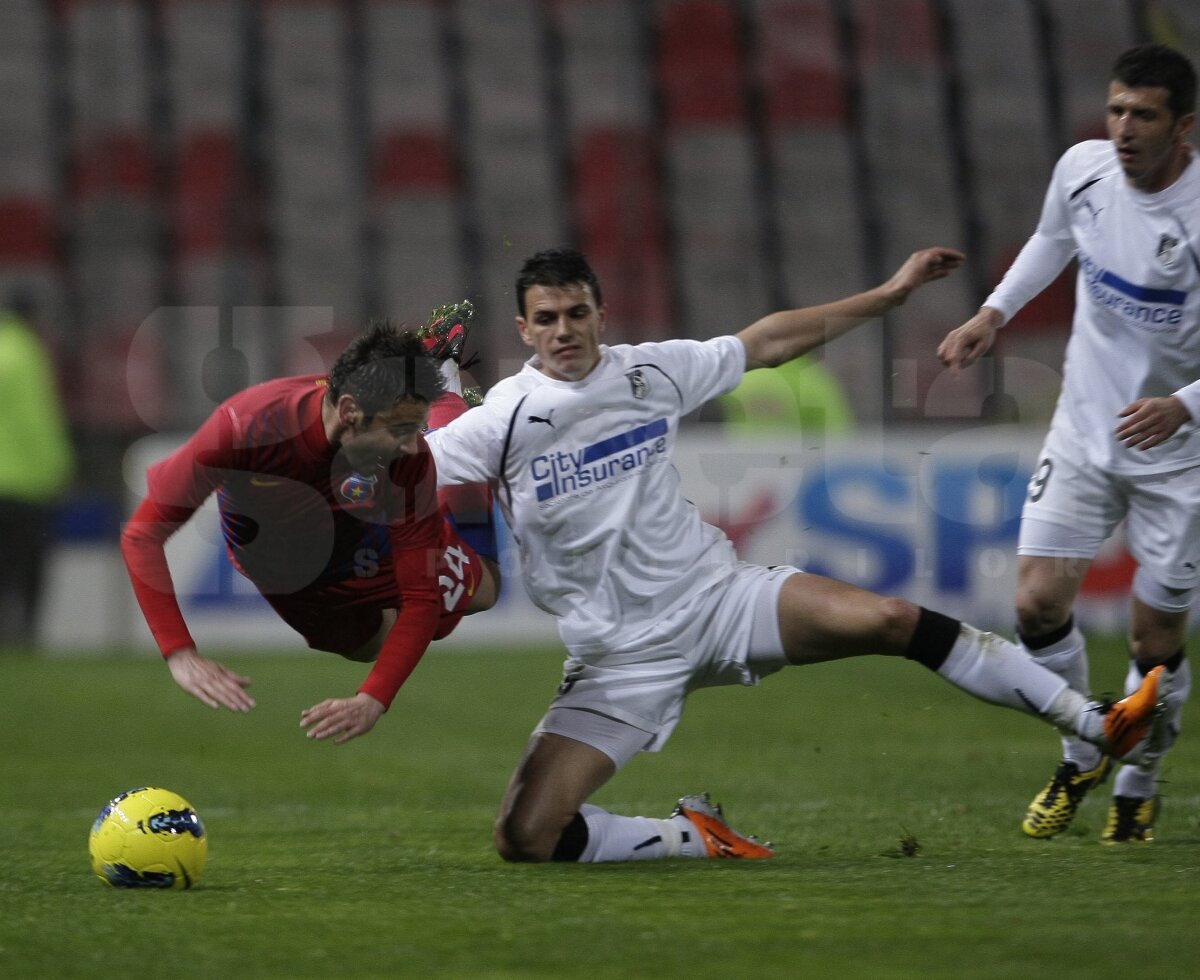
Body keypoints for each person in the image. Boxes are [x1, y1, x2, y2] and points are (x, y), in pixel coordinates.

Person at [424, 246, 1167, 864]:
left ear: (600, 313)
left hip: (718, 599)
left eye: (577, 313)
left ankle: (1095, 722)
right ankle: (694, 837)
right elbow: (403, 468)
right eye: (547, 318)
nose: (564, 330)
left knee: (891, 619)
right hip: (617, 658)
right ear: (524, 329)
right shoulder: (500, 421)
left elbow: (767, 342)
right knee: (525, 836)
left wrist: (887, 295)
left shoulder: (649, 372)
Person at [938, 42, 1197, 844]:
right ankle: (1082, 750)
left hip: (1180, 455)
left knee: (1154, 641)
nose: (1123, 128)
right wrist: (992, 313)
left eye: (1144, 115)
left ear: (1184, 127)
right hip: (1085, 428)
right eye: (1116, 109)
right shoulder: (1083, 171)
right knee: (1035, 602)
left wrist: (1184, 406)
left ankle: (1140, 779)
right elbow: (1053, 240)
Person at [121, 322, 498, 743]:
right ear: (349, 411)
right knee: (369, 645)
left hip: (366, 534)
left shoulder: (409, 458)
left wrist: (374, 697)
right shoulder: (247, 427)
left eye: (414, 428)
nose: (414, 445)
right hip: (291, 576)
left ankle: (450, 401)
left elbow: (420, 599)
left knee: (485, 589)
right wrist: (179, 651)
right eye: (399, 429)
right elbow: (142, 535)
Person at [0, 291, 75, 647]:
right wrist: (59, 466)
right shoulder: (26, 353)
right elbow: (36, 420)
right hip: (24, 483)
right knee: (28, 566)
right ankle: (24, 635)